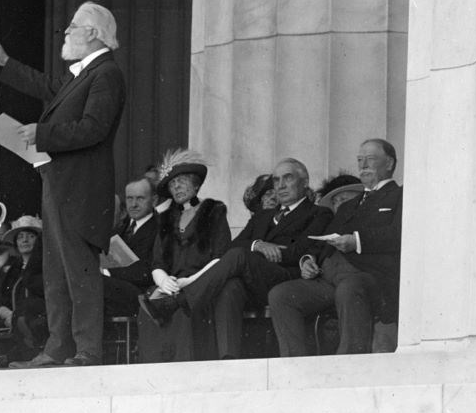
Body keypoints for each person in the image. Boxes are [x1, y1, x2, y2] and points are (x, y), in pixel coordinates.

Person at [0, 1, 125, 368]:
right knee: (56, 274)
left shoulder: (106, 74)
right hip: (59, 185)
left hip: (81, 190)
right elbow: (47, 86)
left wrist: (42, 133)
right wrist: (5, 62)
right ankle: (57, 348)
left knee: (78, 271)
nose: (65, 33)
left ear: (92, 33)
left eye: (72, 26)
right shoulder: (82, 74)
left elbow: (95, 127)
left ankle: (86, 351)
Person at [140, 158, 332, 359]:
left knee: (239, 256)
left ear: (305, 181)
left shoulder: (319, 213)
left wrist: (263, 250)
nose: (281, 185)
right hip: (254, 280)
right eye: (276, 181)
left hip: (286, 278)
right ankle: (228, 359)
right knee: (230, 286)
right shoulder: (263, 216)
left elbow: (302, 250)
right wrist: (257, 245)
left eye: (288, 178)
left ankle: (181, 300)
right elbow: (233, 245)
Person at [268, 138, 403, 356]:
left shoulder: (401, 196)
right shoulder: (349, 205)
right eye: (360, 160)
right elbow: (322, 240)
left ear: (389, 164)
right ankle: (293, 367)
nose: (363, 165)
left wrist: (356, 240)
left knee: (349, 288)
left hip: (368, 275)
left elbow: (398, 235)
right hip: (329, 277)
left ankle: (350, 363)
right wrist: (308, 260)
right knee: (281, 295)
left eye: (370, 159)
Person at [138, 149, 231, 363]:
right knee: (147, 310)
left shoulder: (214, 211)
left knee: (183, 310)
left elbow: (221, 256)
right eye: (172, 184)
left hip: (201, 285)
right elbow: (157, 262)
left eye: (182, 181)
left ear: (196, 184)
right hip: (171, 286)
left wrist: (191, 281)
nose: (176, 187)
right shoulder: (165, 219)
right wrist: (163, 280)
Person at [101, 177, 159, 317]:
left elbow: (147, 272)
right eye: (129, 198)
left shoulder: (160, 230)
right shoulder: (120, 229)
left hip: (141, 295)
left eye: (140, 199)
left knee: (90, 282)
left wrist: (108, 272)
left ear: (154, 200)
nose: (133, 204)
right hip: (113, 290)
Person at [0, 216, 46, 357]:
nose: (25, 240)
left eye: (31, 236)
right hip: (11, 326)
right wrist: (5, 312)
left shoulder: (45, 267)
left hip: (36, 327)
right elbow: (0, 297)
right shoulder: (13, 269)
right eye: (20, 237)